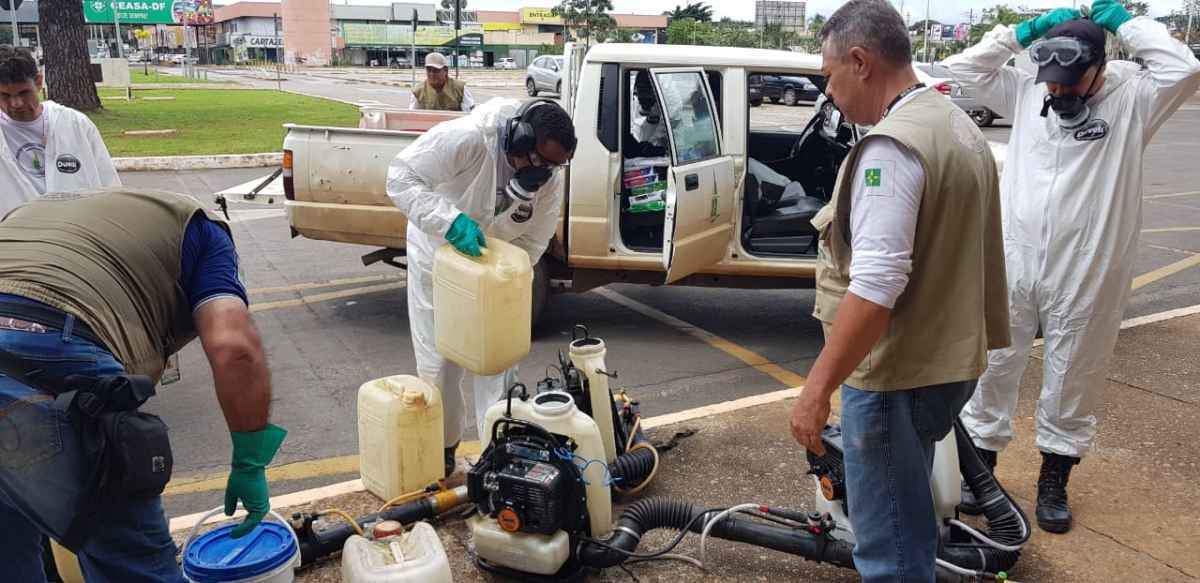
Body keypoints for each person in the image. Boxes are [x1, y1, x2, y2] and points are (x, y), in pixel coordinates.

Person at [945, 1, 1200, 533]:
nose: (1058, 93)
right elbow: (964, 69)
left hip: (1089, 265)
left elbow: (1186, 67)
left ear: (1099, 70)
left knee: (1074, 371)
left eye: (1071, 83)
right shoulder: (1027, 87)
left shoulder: (1135, 98)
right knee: (994, 363)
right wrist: (1021, 31)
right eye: (1052, 83)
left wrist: (1124, 22)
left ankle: (1054, 478)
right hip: (1016, 255)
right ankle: (982, 472)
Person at [788, 1, 1009, 581]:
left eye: (829, 75)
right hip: (947, 361)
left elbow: (878, 286)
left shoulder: (890, 148)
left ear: (860, 62)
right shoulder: (954, 123)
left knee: (888, 541)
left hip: (893, 374)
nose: (828, 93)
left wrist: (816, 390)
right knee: (907, 511)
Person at [0, 189, 287, 582]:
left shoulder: (34, 214)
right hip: (58, 343)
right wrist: (250, 463)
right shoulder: (204, 233)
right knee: (136, 567)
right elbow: (234, 347)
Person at [386, 97, 576, 476]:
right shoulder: (469, 139)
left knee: (497, 361)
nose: (543, 174)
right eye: (539, 161)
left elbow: (535, 241)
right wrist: (449, 221)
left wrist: (505, 272)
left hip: (493, 274)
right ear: (519, 138)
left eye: (554, 167)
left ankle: (497, 456)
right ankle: (442, 450)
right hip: (438, 260)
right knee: (440, 362)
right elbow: (400, 177)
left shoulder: (548, 182)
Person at [0, 46, 120, 216]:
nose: (16, 103)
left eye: (24, 92)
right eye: (4, 95)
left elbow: (109, 184)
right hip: (16, 236)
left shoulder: (74, 124)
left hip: (74, 233)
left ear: (39, 82)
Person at [408, 52, 474, 112]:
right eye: (429, 70)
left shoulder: (460, 88)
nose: (432, 74)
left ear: (446, 71)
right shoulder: (418, 91)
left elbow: (470, 114)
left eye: (436, 70)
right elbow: (413, 115)